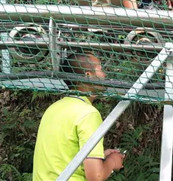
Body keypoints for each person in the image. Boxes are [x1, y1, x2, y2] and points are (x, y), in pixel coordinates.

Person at [33, 52, 125, 181]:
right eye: (100, 69)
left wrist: (100, 157)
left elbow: (60, 159)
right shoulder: (88, 114)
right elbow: (95, 176)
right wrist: (112, 162)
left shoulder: (53, 108)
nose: (105, 75)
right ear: (88, 76)